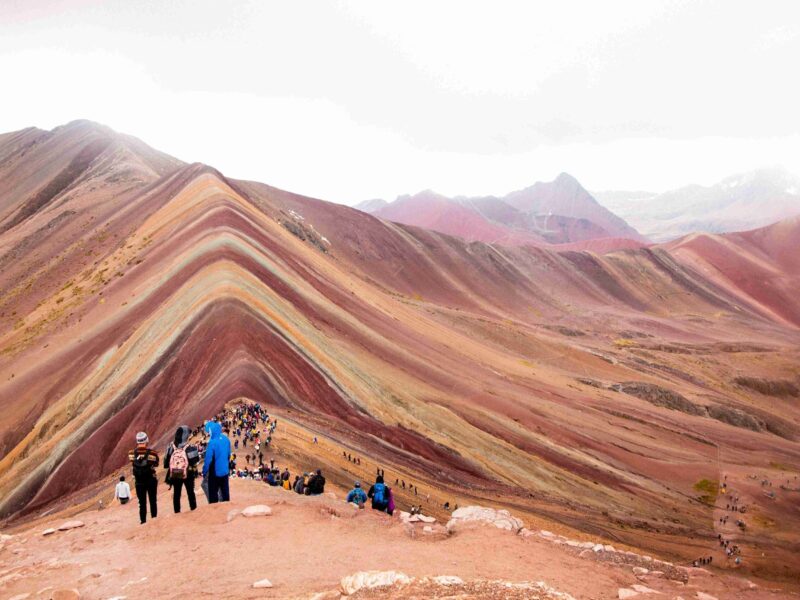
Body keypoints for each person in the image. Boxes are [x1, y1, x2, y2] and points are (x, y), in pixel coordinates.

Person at [164, 425, 200, 513]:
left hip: (175, 473)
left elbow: (165, 464)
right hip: (189, 473)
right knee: (190, 492)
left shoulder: (170, 447)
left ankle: (177, 512)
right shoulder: (190, 447)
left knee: (176, 493)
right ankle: (193, 509)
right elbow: (196, 460)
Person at [128, 431, 159, 524]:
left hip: (139, 481)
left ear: (137, 441)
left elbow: (132, 461)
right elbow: (156, 463)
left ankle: (143, 521)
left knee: (142, 503)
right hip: (151, 479)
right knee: (153, 500)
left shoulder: (131, 453)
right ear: (146, 440)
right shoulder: (152, 453)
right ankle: (154, 519)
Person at [202, 421, 231, 503]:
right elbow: (228, 455)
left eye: (209, 431)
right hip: (225, 470)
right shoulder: (226, 439)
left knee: (213, 493)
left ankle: (214, 510)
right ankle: (226, 507)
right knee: (225, 492)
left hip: (214, 472)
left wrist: (205, 472)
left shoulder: (212, 442)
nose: (208, 433)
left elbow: (208, 460)